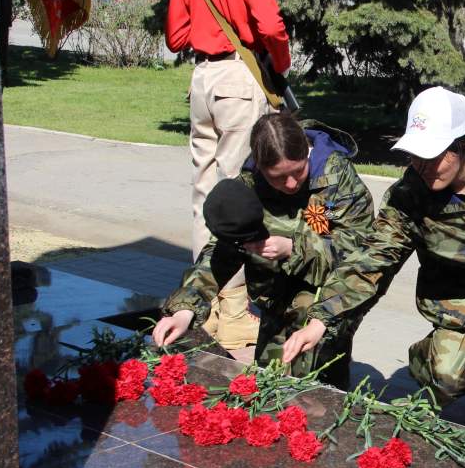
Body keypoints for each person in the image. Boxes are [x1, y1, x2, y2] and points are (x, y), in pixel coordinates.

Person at [281, 86, 465, 436]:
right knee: (445, 377)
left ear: (463, 146)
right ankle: (433, 359)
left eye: (432, 156)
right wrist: (322, 320)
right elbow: (374, 259)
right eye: (414, 155)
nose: (421, 166)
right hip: (455, 301)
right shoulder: (410, 195)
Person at [153, 113, 373, 389]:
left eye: (298, 172)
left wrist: (294, 248)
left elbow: (361, 250)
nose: (290, 184)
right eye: (278, 178)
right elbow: (222, 252)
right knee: (268, 383)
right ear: (260, 167)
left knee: (317, 383)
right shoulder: (250, 186)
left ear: (306, 152)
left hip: (329, 297)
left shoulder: (338, 179)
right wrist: (185, 308)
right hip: (275, 298)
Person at [165, 0, 291, 349]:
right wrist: (281, 63)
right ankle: (234, 310)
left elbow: (175, 35)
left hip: (202, 79)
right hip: (240, 79)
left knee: (205, 195)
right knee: (238, 193)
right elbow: (269, 25)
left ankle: (204, 303)